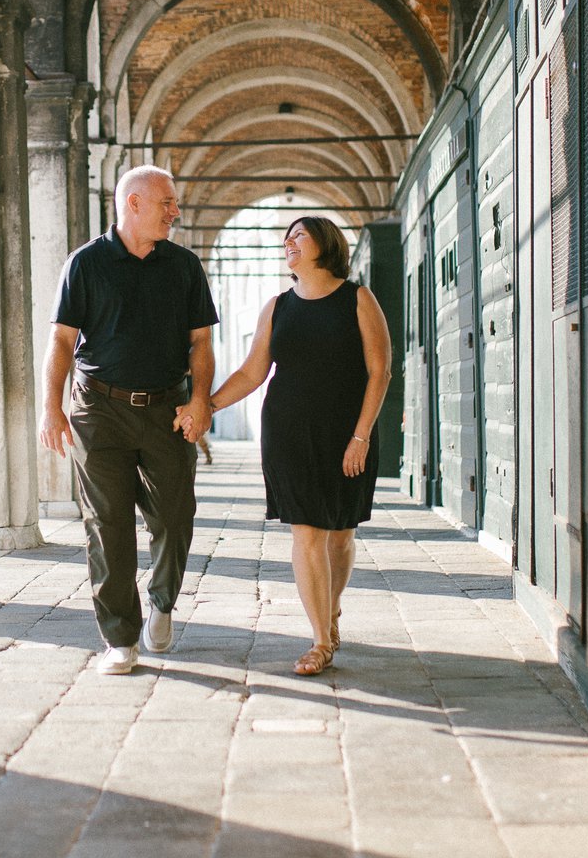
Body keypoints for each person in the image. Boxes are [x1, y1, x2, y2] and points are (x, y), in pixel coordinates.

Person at [41, 166, 218, 675]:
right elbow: (61, 340)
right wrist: (51, 407)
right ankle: (120, 639)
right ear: (133, 203)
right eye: (167, 202)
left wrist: (200, 401)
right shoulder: (86, 263)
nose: (175, 212)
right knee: (108, 524)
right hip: (98, 410)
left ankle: (162, 601)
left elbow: (201, 342)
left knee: (174, 515)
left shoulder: (184, 266)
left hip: (168, 408)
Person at [209, 216, 390, 676]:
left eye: (298, 236)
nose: (288, 242)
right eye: (286, 238)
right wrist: (207, 406)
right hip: (288, 432)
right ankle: (321, 640)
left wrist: (361, 436)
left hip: (347, 433)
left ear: (324, 244)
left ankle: (330, 610)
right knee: (307, 532)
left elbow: (380, 372)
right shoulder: (277, 307)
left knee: (341, 533)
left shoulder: (358, 298)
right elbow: (252, 372)